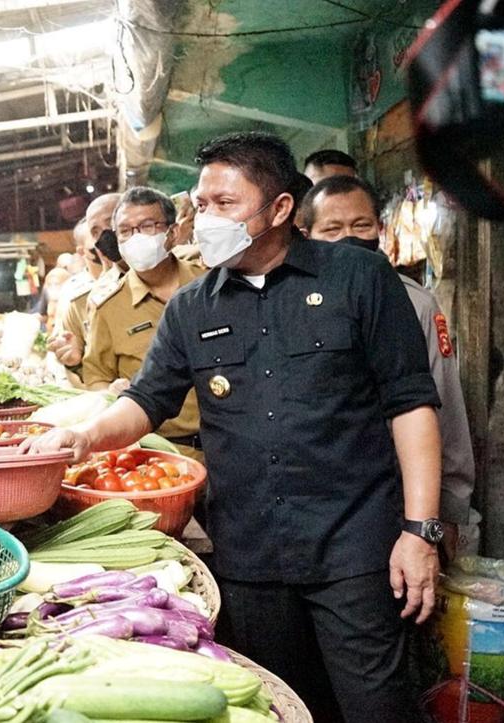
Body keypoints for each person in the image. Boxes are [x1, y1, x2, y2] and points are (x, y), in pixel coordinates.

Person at [24, 131, 442, 723]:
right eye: (201, 205)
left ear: (279, 209)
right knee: (281, 702)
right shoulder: (193, 307)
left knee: (378, 705)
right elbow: (147, 399)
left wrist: (421, 531)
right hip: (249, 555)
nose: (203, 220)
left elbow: (412, 405)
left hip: (354, 546)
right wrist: (85, 436)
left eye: (225, 204)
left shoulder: (357, 278)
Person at [301, 174, 474, 558]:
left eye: (360, 225)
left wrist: (444, 512)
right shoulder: (290, 306)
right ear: (307, 234)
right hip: (321, 500)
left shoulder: (416, 303)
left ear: (380, 228)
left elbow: (445, 407)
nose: (349, 236)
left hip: (402, 496)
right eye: (332, 228)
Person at [81, 187, 205, 459]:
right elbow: (95, 377)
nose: (135, 238)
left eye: (147, 226)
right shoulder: (108, 309)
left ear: (171, 234)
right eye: (125, 231)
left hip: (230, 445)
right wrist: (109, 391)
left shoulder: (209, 286)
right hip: (162, 456)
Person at [47, 193, 124, 375]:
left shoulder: (176, 277)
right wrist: (74, 362)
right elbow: (90, 372)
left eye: (112, 225)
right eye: (96, 233)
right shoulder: (80, 300)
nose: (107, 238)